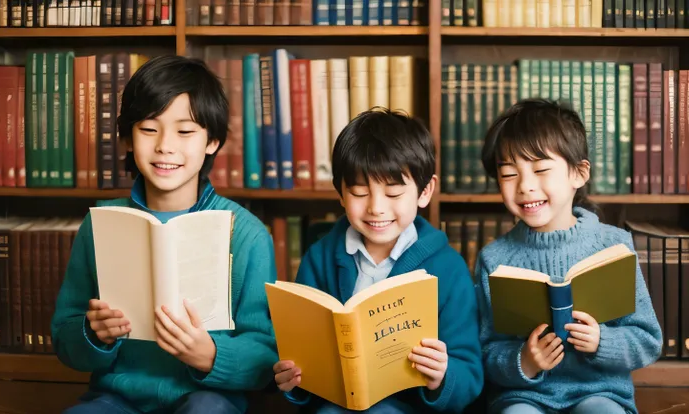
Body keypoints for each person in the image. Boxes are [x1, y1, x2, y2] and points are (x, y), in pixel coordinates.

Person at [52, 55, 278, 414]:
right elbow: (64, 338)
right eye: (148, 129)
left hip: (209, 399)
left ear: (212, 141)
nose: (165, 146)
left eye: (185, 131)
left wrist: (210, 356)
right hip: (116, 397)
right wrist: (93, 333)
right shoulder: (101, 224)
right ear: (127, 137)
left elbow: (265, 352)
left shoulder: (247, 234)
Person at [273, 108, 484, 413]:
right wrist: (293, 380)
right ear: (341, 194)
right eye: (359, 192)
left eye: (394, 193)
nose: (376, 208)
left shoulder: (448, 269)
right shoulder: (319, 258)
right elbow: (299, 363)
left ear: (425, 192)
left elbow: (470, 377)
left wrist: (443, 374)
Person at [475, 98, 663, 414]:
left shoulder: (613, 246)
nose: (525, 186)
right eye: (509, 174)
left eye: (541, 169)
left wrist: (602, 342)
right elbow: (486, 351)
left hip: (601, 393)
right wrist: (524, 360)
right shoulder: (494, 258)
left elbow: (647, 341)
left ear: (579, 173)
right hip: (523, 397)